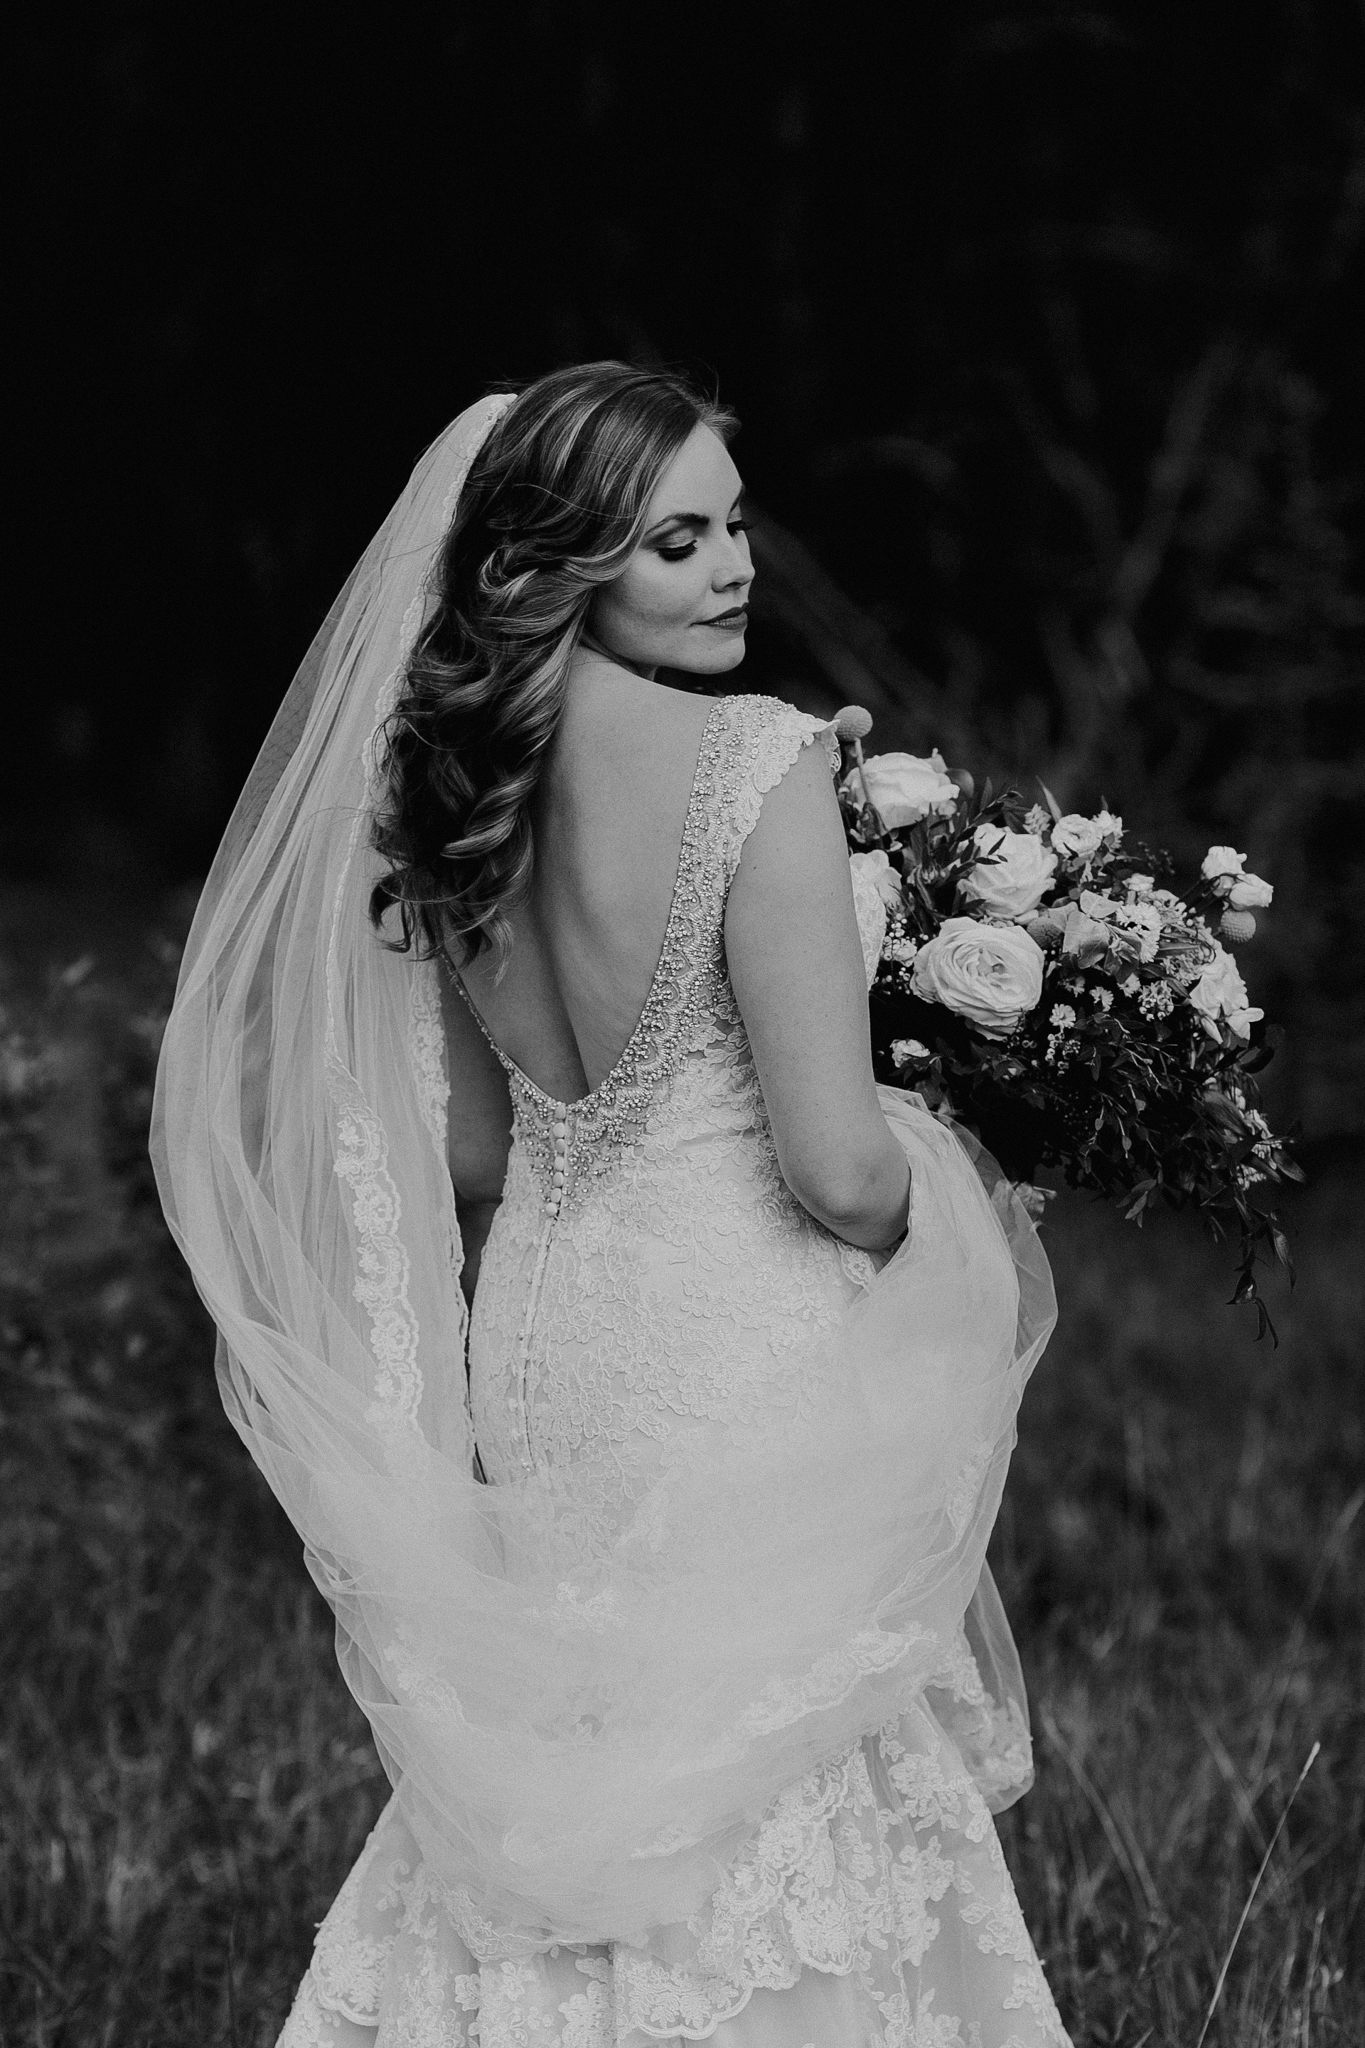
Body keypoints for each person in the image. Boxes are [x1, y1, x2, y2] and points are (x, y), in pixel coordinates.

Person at [153, 362, 1069, 2047]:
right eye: (675, 540)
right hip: (730, 1325)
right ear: (564, 562)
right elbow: (837, 1168)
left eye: (732, 526)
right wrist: (963, 1180)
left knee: (583, 1746)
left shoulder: (452, 783)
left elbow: (488, 1155)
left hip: (554, 1331)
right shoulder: (752, 760)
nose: (730, 568)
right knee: (765, 1760)